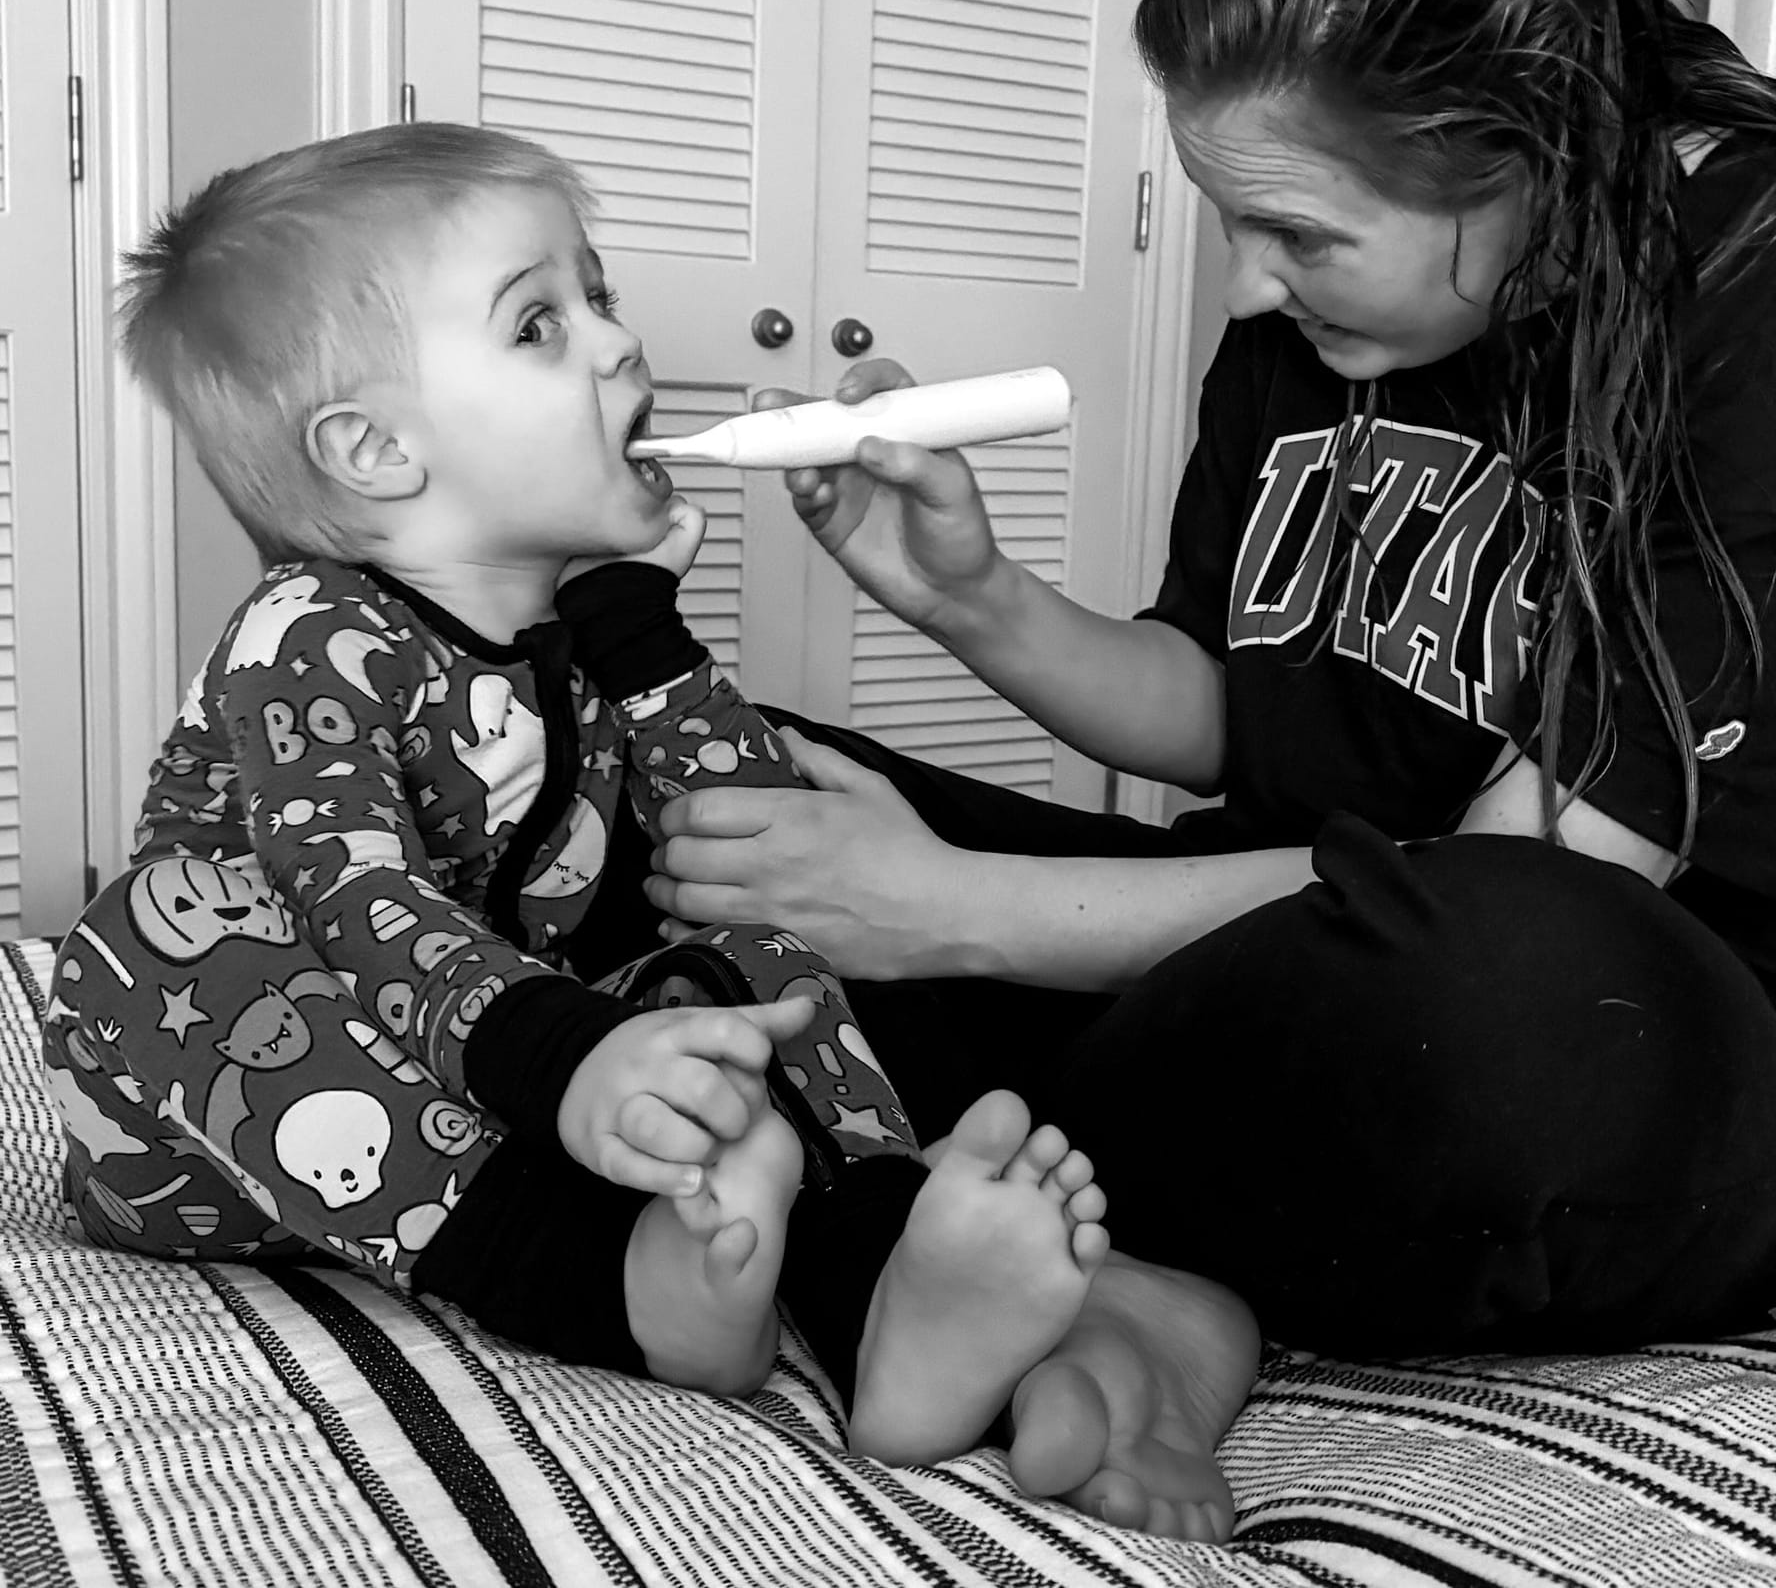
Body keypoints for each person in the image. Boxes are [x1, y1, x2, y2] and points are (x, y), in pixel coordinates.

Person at [638, 0, 1776, 1544]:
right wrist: (969, 598)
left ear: (1532, 149)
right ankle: (1140, 1272)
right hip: (1276, 982)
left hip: (1681, 1044)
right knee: (699, 775)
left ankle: (1014, 1197)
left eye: (1295, 231)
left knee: (1512, 987)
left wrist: (954, 911)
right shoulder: (1325, 325)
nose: (1243, 285)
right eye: (1234, 216)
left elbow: (1551, 871)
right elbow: (1229, 718)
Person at [43, 121, 1130, 1475]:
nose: (619, 343)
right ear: (375, 448)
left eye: (598, 295)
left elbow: (761, 828)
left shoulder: (582, 634)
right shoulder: (310, 634)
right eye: (539, 325)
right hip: (235, 1127)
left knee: (754, 950)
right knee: (154, 932)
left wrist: (643, 637)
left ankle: (888, 1307)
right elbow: (353, 902)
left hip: (503, 1079)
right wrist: (569, 1064)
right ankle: (618, 1288)